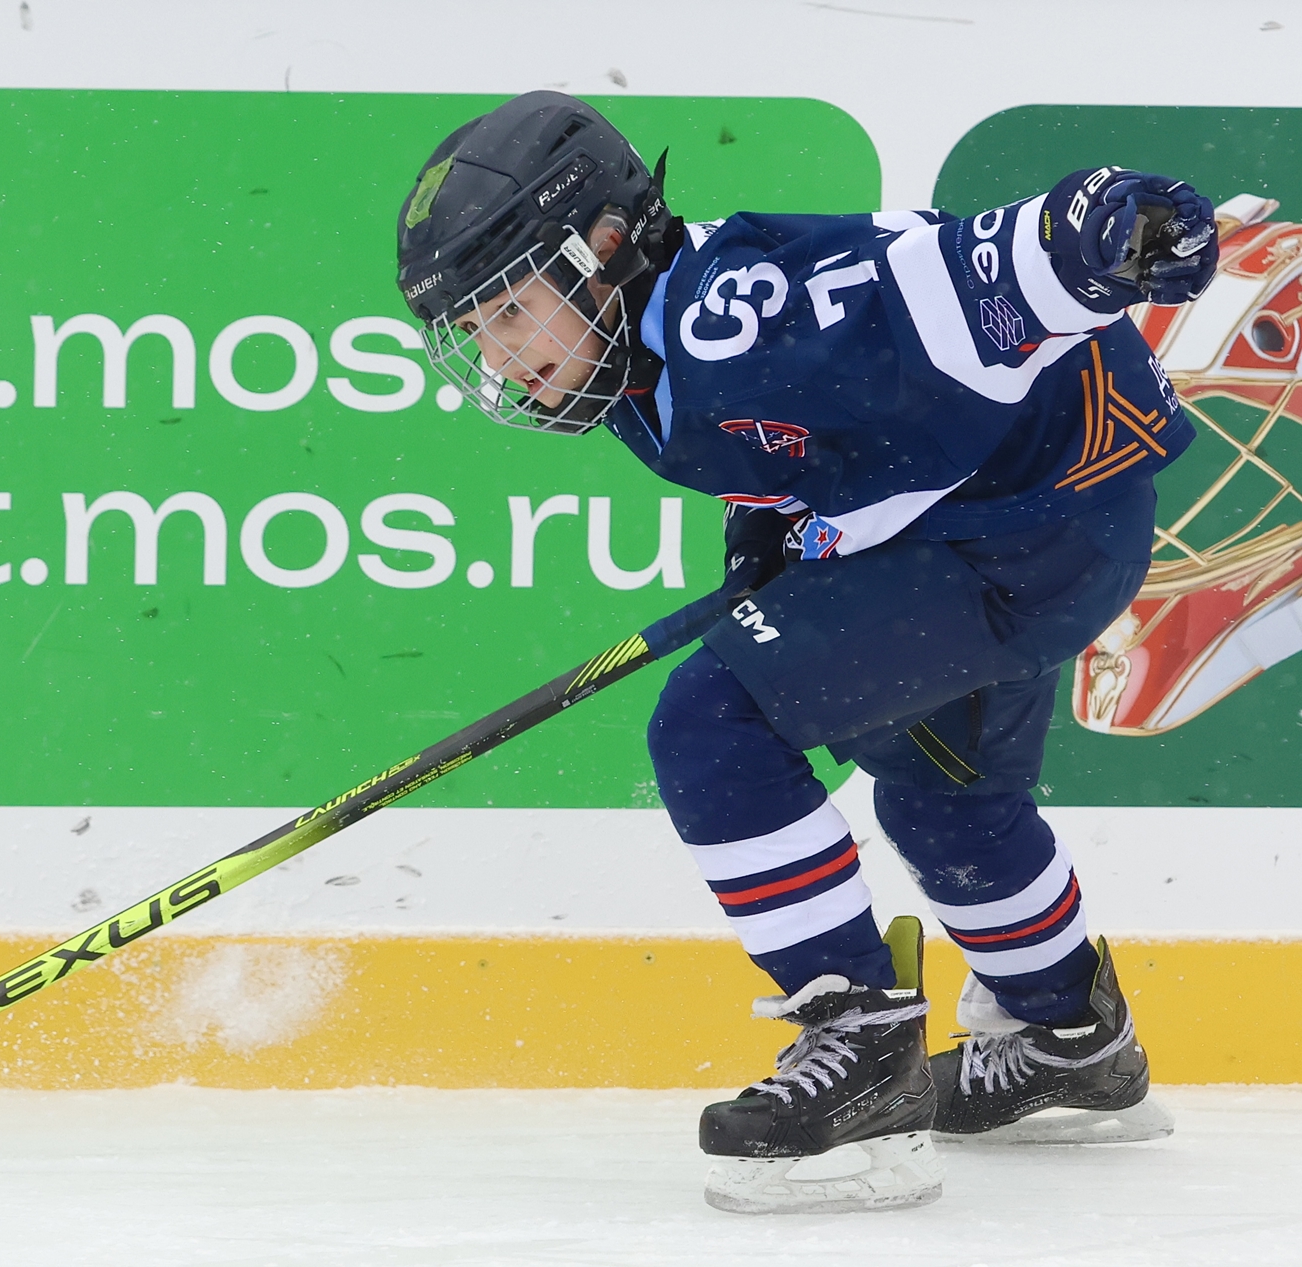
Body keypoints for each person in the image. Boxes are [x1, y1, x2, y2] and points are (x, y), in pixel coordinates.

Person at [394, 91, 1216, 1214]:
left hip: (1023, 539)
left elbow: (947, 279)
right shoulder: (638, 358)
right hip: (1018, 524)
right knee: (947, 801)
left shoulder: (740, 311)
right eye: (478, 329)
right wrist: (771, 542)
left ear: (603, 244)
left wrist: (1096, 230)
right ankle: (1071, 1038)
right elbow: (811, 450)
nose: (497, 356)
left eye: (508, 311)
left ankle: (863, 1050)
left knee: (712, 726)